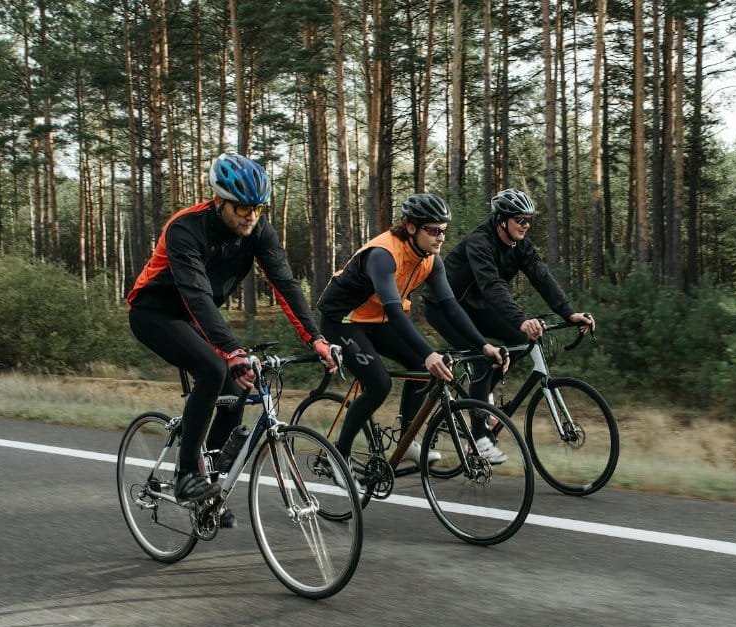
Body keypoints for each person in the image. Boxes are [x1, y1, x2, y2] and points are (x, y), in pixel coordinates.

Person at [127, 152, 336, 516]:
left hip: (198, 318)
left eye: (258, 208)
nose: (251, 216)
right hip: (154, 313)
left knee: (239, 383)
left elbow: (285, 284)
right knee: (213, 368)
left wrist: (315, 339)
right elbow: (196, 293)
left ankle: (210, 483)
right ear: (219, 200)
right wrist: (231, 350)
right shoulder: (185, 228)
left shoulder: (258, 230)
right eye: (242, 208)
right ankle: (186, 476)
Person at [316, 193, 509, 467]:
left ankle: (407, 440)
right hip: (342, 322)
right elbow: (395, 311)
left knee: (422, 367)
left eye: (444, 230)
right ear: (410, 227)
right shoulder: (383, 255)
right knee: (379, 384)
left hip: (375, 321)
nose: (440, 237)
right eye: (433, 230)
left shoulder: (431, 259)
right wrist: (429, 354)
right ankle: (339, 455)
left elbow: (451, 307)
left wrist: (483, 345)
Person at [423, 188, 595, 460]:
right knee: (482, 359)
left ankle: (482, 399)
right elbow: (492, 286)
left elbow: (541, 276)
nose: (526, 225)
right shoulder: (480, 242)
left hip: (475, 308)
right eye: (520, 220)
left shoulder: (520, 245)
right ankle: (478, 439)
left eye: (529, 220)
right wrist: (521, 319)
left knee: (521, 340)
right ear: (502, 219)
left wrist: (569, 313)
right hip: (444, 307)